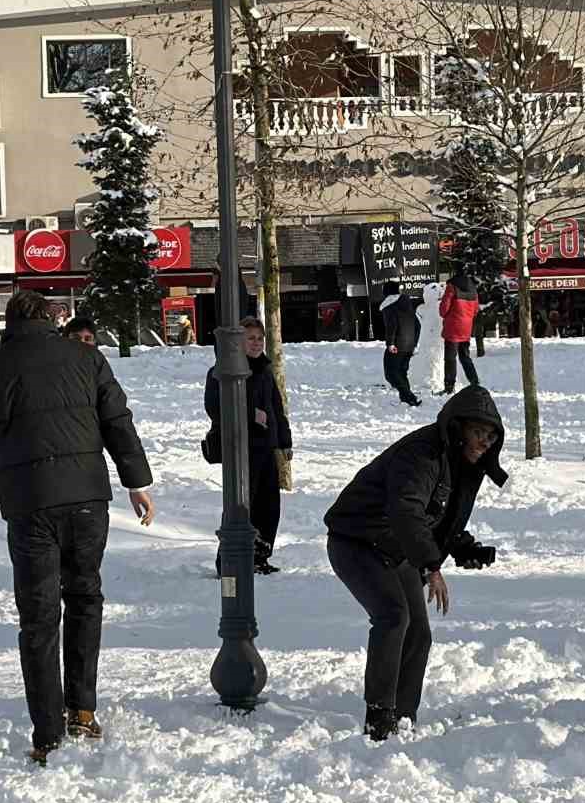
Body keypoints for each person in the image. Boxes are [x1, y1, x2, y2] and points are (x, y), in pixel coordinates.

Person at [0, 290, 156, 766]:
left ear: (10, 321)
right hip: (86, 500)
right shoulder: (87, 359)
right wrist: (137, 482)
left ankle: (48, 732)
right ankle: (82, 709)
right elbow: (118, 422)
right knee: (85, 598)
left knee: (38, 616)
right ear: (51, 321)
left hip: (29, 502)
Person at [324, 386, 507, 740]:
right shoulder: (422, 454)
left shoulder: (464, 465)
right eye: (478, 433)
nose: (484, 443)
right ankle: (379, 716)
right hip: (356, 541)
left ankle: (403, 718)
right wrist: (430, 565)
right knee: (393, 617)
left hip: (398, 548)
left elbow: (439, 517)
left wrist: (462, 546)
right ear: (457, 428)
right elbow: (406, 511)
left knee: (418, 633)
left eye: (490, 437)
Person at [204, 316, 291, 576]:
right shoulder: (223, 370)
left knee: (268, 506)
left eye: (260, 339)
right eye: (250, 338)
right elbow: (215, 405)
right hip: (240, 448)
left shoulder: (264, 370)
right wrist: (250, 413)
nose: (256, 343)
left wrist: (284, 441)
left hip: (265, 448)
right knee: (242, 506)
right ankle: (229, 561)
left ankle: (259, 556)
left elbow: (277, 407)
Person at [379, 282, 420, 407]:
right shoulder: (407, 304)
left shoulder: (390, 306)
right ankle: (407, 400)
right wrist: (414, 344)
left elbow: (392, 325)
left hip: (397, 344)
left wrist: (390, 343)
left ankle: (409, 397)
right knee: (402, 372)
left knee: (390, 373)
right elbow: (418, 325)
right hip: (409, 345)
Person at [439, 274, 480, 395]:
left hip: (453, 328)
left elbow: (443, 309)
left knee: (450, 359)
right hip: (466, 329)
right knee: (465, 357)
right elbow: (476, 310)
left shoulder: (451, 287)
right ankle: (474, 382)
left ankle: (449, 387)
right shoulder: (473, 289)